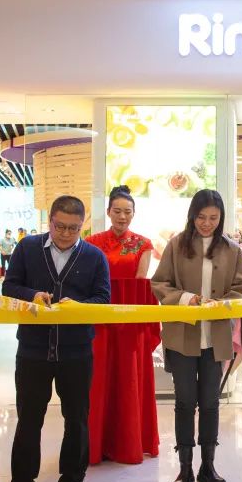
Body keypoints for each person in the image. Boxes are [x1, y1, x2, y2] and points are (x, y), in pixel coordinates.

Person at [0, 196, 111, 482]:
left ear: (82, 226)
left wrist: (78, 307)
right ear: (49, 220)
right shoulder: (27, 248)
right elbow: (9, 287)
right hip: (33, 349)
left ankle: (73, 481)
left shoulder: (94, 256)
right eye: (60, 226)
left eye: (73, 228)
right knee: (29, 418)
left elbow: (103, 298)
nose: (65, 234)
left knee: (76, 418)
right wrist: (31, 295)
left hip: (77, 352)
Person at [152, 189, 242, 482]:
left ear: (221, 218)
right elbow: (159, 283)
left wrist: (222, 304)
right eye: (201, 217)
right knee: (185, 402)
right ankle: (185, 469)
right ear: (192, 216)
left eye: (213, 218)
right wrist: (186, 299)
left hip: (215, 337)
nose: (207, 223)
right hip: (182, 335)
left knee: (210, 403)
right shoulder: (176, 245)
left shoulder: (231, 250)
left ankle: (208, 466)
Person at [85, 185, 161, 465]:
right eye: (117, 211)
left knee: (129, 379)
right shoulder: (91, 242)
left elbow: (139, 284)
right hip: (100, 317)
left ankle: (128, 443)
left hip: (129, 321)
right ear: (108, 212)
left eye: (127, 212)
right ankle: (97, 444)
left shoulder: (143, 244)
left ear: (133, 214)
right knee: (99, 378)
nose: (122, 216)